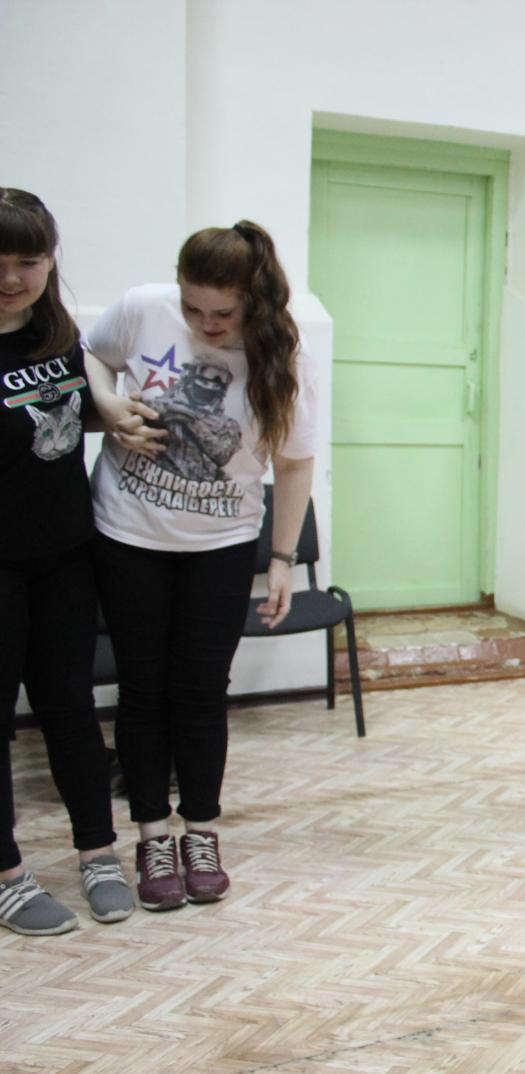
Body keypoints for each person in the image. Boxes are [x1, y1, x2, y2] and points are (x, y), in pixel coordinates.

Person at [82, 220, 318, 911]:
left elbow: (294, 463)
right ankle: (152, 835)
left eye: (223, 314)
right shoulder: (141, 307)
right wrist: (109, 406)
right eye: (193, 308)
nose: (206, 325)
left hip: (220, 546)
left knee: (201, 692)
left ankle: (201, 831)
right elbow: (90, 355)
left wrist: (281, 558)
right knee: (142, 690)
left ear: (255, 301)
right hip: (128, 534)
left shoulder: (283, 353)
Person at [0, 188, 134, 935]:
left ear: (51, 261)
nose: (11, 277)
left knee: (70, 709)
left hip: (65, 556)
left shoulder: (57, 337)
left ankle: (97, 852)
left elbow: (82, 404)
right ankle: (8, 874)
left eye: (28, 260)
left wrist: (111, 409)